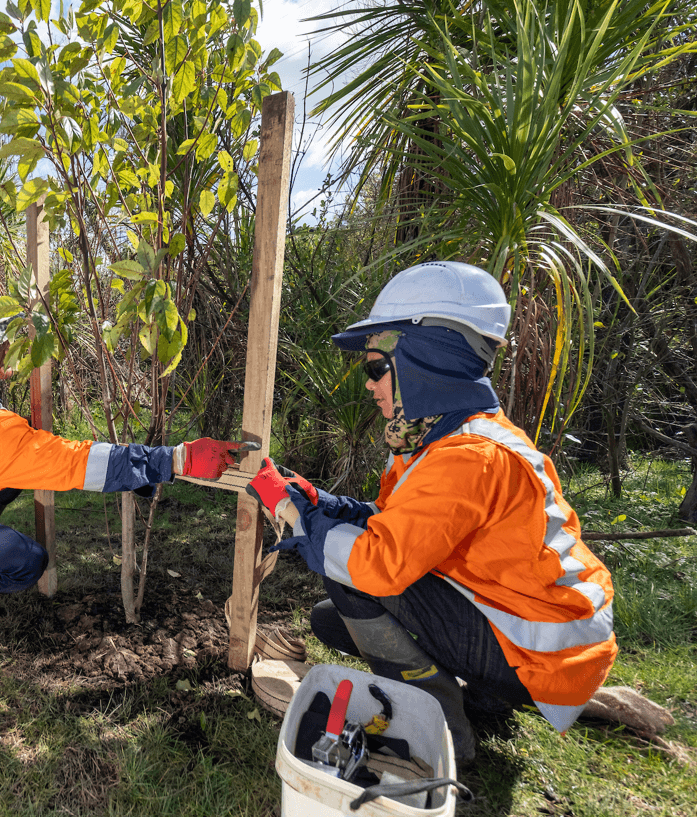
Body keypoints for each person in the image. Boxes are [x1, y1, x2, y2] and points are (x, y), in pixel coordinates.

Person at [247, 260, 617, 765]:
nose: (371, 385)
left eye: (377, 368)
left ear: (426, 360)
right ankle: (485, 697)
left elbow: (377, 564)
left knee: (354, 580)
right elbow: (393, 522)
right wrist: (322, 503)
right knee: (332, 623)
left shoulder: (466, 457)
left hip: (545, 653)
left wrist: (296, 516)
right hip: (525, 630)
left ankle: (443, 732)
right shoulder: (437, 440)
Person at [0, 266, 247, 620]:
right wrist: (177, 459)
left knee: (11, 479)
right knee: (28, 562)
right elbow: (75, 463)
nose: (10, 344)